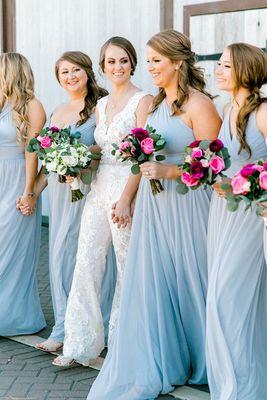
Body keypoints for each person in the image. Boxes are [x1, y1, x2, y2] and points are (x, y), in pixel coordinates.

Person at [88, 29, 221, 399]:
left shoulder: (200, 105)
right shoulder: (155, 105)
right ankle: (171, 357)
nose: (149, 68)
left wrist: (171, 172)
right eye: (147, 60)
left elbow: (213, 165)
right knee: (160, 281)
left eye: (156, 60)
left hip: (189, 205)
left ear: (177, 62)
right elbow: (142, 157)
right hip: (154, 206)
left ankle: (207, 359)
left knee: (195, 278)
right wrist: (130, 194)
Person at [52, 37, 152, 367]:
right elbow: (101, 150)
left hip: (127, 188)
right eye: (111, 62)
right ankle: (80, 344)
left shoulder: (143, 101)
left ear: (132, 63)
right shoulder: (102, 104)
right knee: (87, 261)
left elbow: (143, 153)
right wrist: (74, 160)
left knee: (126, 266)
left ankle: (123, 345)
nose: (117, 67)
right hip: (99, 186)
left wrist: (127, 199)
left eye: (123, 60)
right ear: (103, 66)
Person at [18, 51, 116, 352]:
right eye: (64, 72)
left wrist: (83, 158)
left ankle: (95, 326)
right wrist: (32, 192)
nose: (70, 76)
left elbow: (108, 147)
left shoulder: (101, 107)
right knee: (59, 257)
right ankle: (62, 327)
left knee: (86, 258)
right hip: (61, 197)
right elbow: (48, 163)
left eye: (76, 70)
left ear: (87, 72)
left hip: (88, 190)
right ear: (58, 77)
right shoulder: (58, 111)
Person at [206, 43, 267, 400]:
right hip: (223, 215)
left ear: (245, 70)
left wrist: (252, 184)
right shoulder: (227, 109)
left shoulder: (262, 113)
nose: (219, 70)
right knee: (221, 299)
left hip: (251, 217)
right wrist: (216, 177)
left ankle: (241, 391)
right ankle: (232, 386)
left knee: (229, 300)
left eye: (226, 65)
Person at [0, 52, 46, 335]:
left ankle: (12, 315)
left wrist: (29, 192)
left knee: (11, 248)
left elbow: (33, 152)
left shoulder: (33, 106)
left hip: (16, 180)